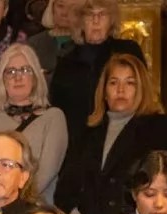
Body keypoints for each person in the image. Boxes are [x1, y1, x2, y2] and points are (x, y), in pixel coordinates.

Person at [56, 53, 167, 214]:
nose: (120, 90)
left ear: (142, 89)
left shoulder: (162, 128)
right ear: (104, 91)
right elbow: (65, 190)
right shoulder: (86, 132)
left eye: (130, 83)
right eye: (114, 82)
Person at [0, 42, 68, 202]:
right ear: (2, 80)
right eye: (11, 71)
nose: (18, 77)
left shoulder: (53, 118)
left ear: (36, 77)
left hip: (36, 211)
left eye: (25, 70)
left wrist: (13, 204)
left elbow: (45, 174)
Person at [48, 0, 144, 134]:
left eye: (102, 14)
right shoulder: (66, 63)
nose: (96, 20)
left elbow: (143, 94)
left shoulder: (127, 51)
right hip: (78, 141)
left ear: (111, 21)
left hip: (124, 134)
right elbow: (58, 110)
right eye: (89, 15)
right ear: (80, 22)